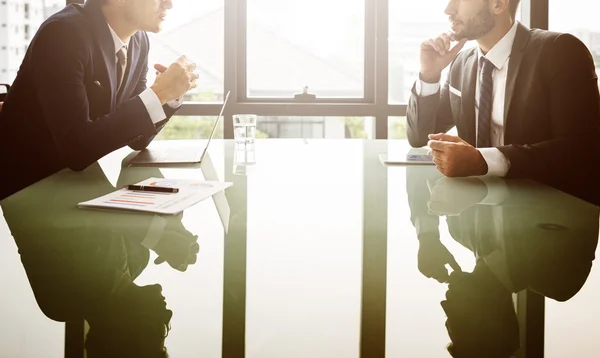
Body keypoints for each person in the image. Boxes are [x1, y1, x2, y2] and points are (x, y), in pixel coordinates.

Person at [407, 0, 600, 206]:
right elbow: (420, 137)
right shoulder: (462, 63)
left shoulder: (560, 51)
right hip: (478, 216)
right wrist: (429, 75)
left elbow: (582, 148)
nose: (448, 9)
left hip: (551, 214)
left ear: (498, 4)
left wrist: (483, 161)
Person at [0, 0, 198, 200]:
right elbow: (75, 149)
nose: (170, 4)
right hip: (29, 192)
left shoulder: (139, 41)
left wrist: (169, 96)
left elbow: (138, 139)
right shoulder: (62, 34)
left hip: (83, 185)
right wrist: (158, 93)